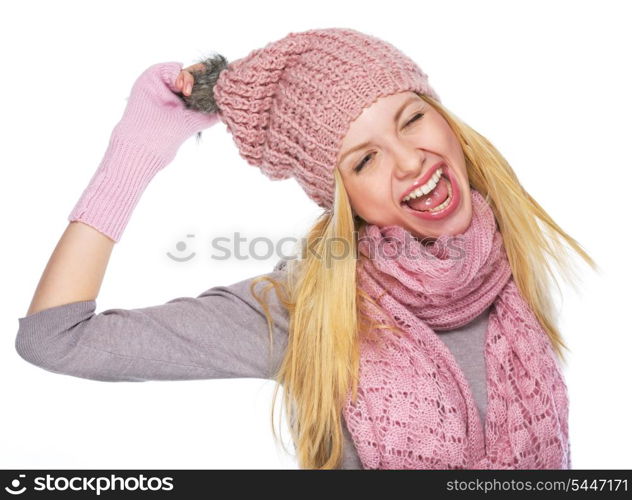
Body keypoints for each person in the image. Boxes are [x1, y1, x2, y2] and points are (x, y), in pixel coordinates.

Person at [15, 27, 597, 470]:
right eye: (365, 159)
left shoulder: (504, 254)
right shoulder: (306, 307)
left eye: (412, 118)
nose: (411, 161)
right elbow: (57, 341)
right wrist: (135, 155)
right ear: (342, 196)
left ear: (444, 117)